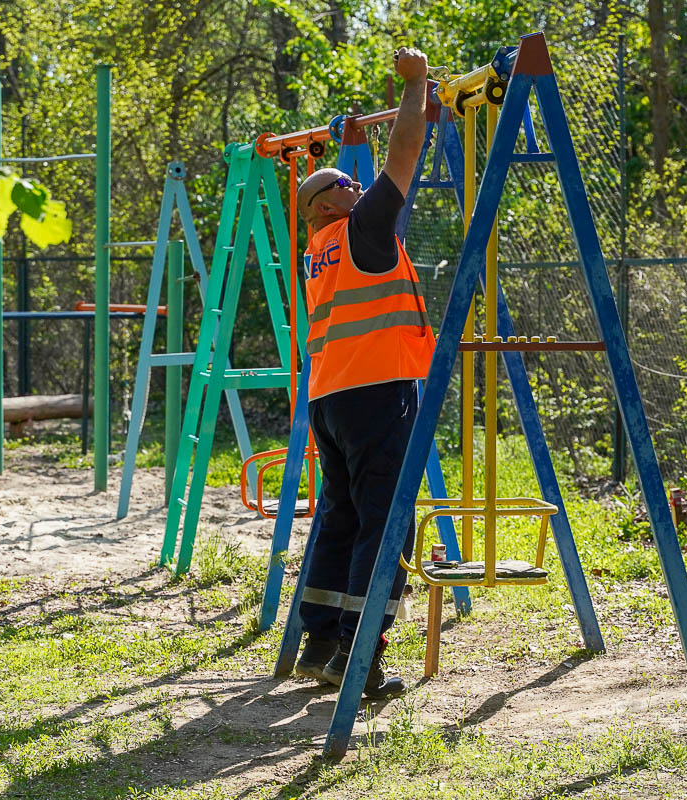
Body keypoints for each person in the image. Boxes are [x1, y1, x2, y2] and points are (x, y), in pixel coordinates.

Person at [292, 46, 435, 699]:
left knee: (342, 516)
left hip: (332, 399)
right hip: (377, 394)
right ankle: (361, 655)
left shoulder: (318, 252)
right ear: (330, 206)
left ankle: (321, 640)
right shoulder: (362, 232)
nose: (359, 184)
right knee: (387, 520)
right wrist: (414, 86)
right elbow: (402, 157)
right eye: (348, 185)